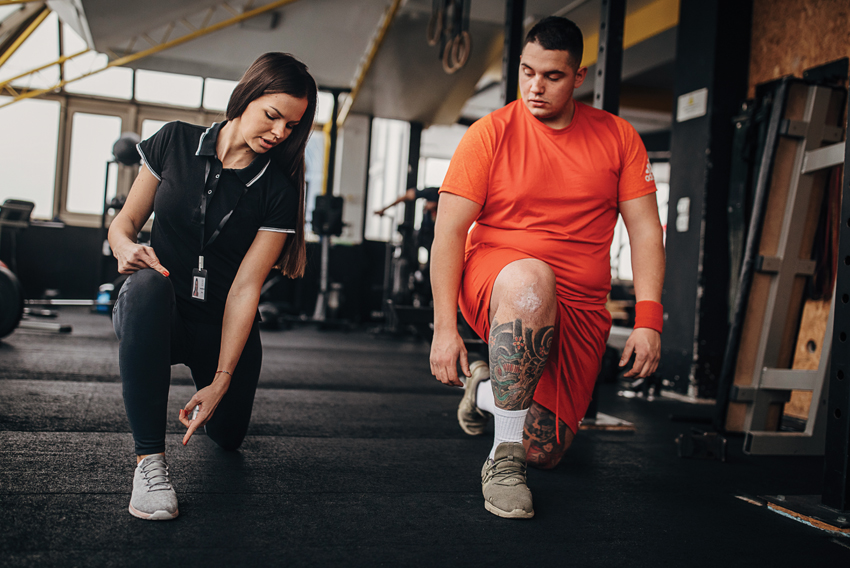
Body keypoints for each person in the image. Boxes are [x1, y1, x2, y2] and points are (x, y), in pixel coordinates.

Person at [429, 16, 665, 519]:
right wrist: (443, 329)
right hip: (501, 279)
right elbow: (448, 232)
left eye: (552, 76)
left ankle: (487, 389)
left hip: (579, 302)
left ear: (579, 76)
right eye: (526, 71)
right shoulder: (489, 134)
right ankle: (502, 461)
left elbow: (645, 231)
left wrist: (648, 320)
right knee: (532, 279)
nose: (535, 87)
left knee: (547, 450)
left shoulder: (619, 138)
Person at [108, 52, 317, 520]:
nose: (280, 133)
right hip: (159, 308)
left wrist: (221, 381)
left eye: (291, 125)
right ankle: (149, 462)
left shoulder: (277, 192)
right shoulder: (174, 142)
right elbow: (125, 224)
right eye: (273, 116)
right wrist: (123, 247)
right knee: (146, 286)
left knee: (227, 439)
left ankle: (216, 396)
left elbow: (245, 289)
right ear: (246, 96)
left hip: (221, 325)